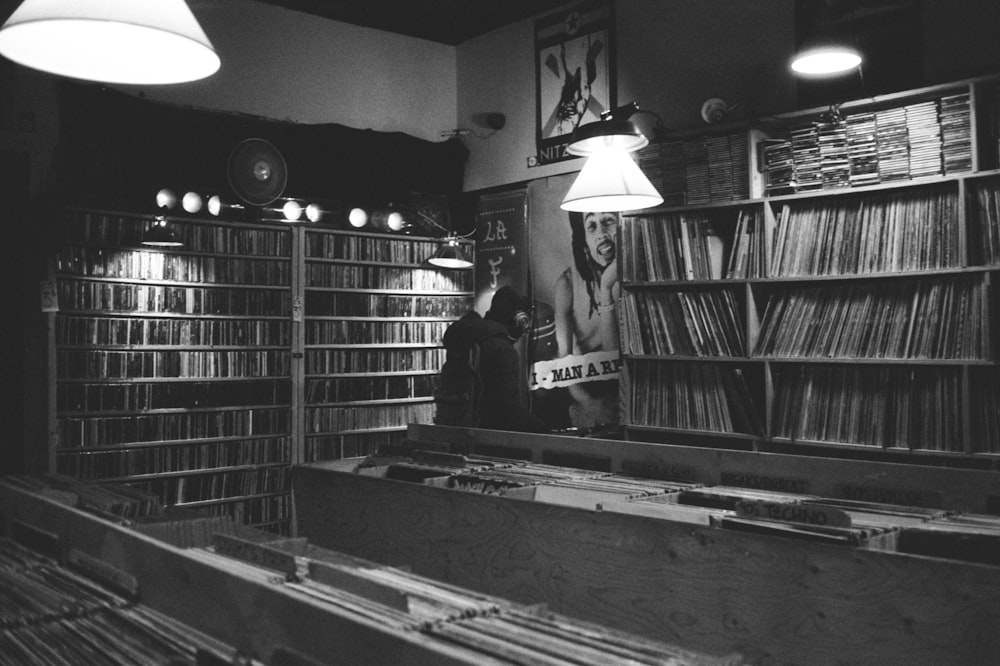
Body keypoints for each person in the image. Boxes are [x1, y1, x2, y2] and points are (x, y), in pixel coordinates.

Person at [439, 285, 548, 433]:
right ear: (519, 320)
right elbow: (506, 409)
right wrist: (542, 432)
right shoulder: (501, 350)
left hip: (456, 430)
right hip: (487, 436)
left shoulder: (470, 338)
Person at [553, 210, 620, 429]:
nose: (601, 233)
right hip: (587, 390)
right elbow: (565, 356)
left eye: (608, 221)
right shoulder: (567, 284)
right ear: (583, 237)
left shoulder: (631, 273)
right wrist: (589, 403)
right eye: (591, 226)